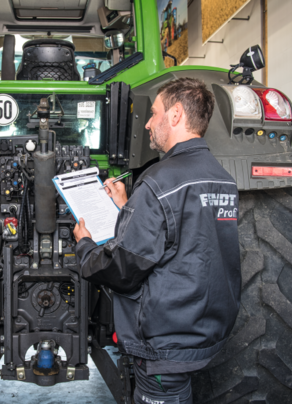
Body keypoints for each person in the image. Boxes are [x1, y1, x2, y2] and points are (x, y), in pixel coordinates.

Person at [73, 77, 241, 404]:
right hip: (204, 328)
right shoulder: (221, 177)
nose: (148, 123)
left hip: (166, 342)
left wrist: (85, 247)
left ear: (175, 115)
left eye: (154, 113)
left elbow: (123, 269)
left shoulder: (158, 180)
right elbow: (186, 234)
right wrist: (127, 207)